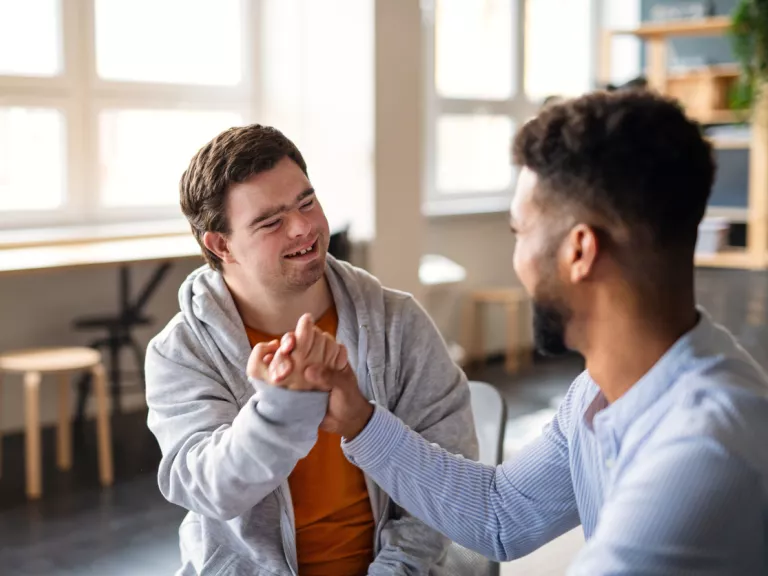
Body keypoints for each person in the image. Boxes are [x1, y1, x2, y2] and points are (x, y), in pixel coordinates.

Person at [263, 90, 768, 574]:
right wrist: (359, 417)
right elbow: (501, 515)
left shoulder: (704, 451)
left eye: (519, 232)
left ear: (579, 252)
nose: (518, 258)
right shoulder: (599, 391)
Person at [144, 124, 477, 576]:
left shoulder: (398, 323)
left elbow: (443, 481)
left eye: (307, 202)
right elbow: (209, 489)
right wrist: (281, 409)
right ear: (222, 245)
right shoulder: (181, 351)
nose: (304, 228)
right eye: (271, 221)